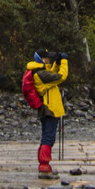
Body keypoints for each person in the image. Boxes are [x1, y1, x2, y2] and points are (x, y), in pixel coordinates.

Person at [29, 48, 68, 176]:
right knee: (49, 137)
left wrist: (56, 63)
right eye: (48, 58)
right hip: (49, 109)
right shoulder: (41, 74)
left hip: (47, 109)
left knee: (46, 135)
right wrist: (64, 62)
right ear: (42, 60)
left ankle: (44, 165)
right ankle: (44, 166)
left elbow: (52, 73)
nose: (49, 60)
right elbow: (61, 77)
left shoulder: (40, 72)